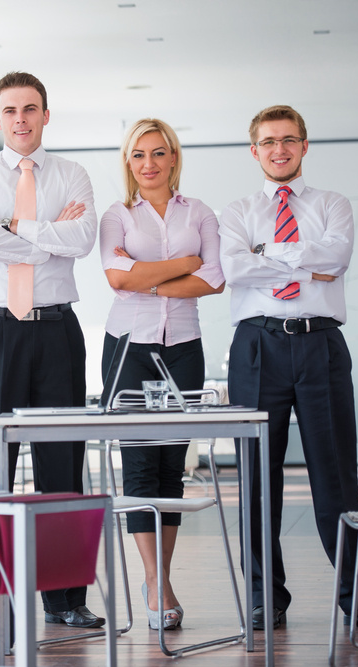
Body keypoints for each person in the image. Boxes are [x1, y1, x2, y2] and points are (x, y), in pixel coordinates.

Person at [218, 105, 358, 632]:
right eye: (269, 141)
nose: (280, 149)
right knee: (257, 479)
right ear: (254, 151)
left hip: (320, 344)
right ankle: (264, 598)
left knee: (337, 478)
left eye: (289, 140)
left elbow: (336, 257)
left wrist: (266, 254)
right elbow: (235, 268)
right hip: (256, 348)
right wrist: (301, 257)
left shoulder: (333, 204)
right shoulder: (238, 211)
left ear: (304, 146)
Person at [0, 71, 103, 629]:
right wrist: (45, 237)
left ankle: (66, 598)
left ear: (45, 115)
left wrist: (15, 225)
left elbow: (83, 240)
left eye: (31, 108)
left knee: (61, 464)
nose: (21, 118)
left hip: (57, 332)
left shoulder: (73, 174)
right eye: (10, 110)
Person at [98, 118, 225, 631]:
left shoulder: (200, 212)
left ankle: (162, 577)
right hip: (129, 346)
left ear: (173, 157)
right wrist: (185, 263)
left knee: (171, 465)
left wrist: (147, 278)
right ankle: (154, 580)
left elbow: (213, 278)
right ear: (128, 163)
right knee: (139, 466)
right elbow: (115, 278)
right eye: (137, 155)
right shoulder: (115, 215)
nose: (148, 163)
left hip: (184, 349)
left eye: (157, 152)